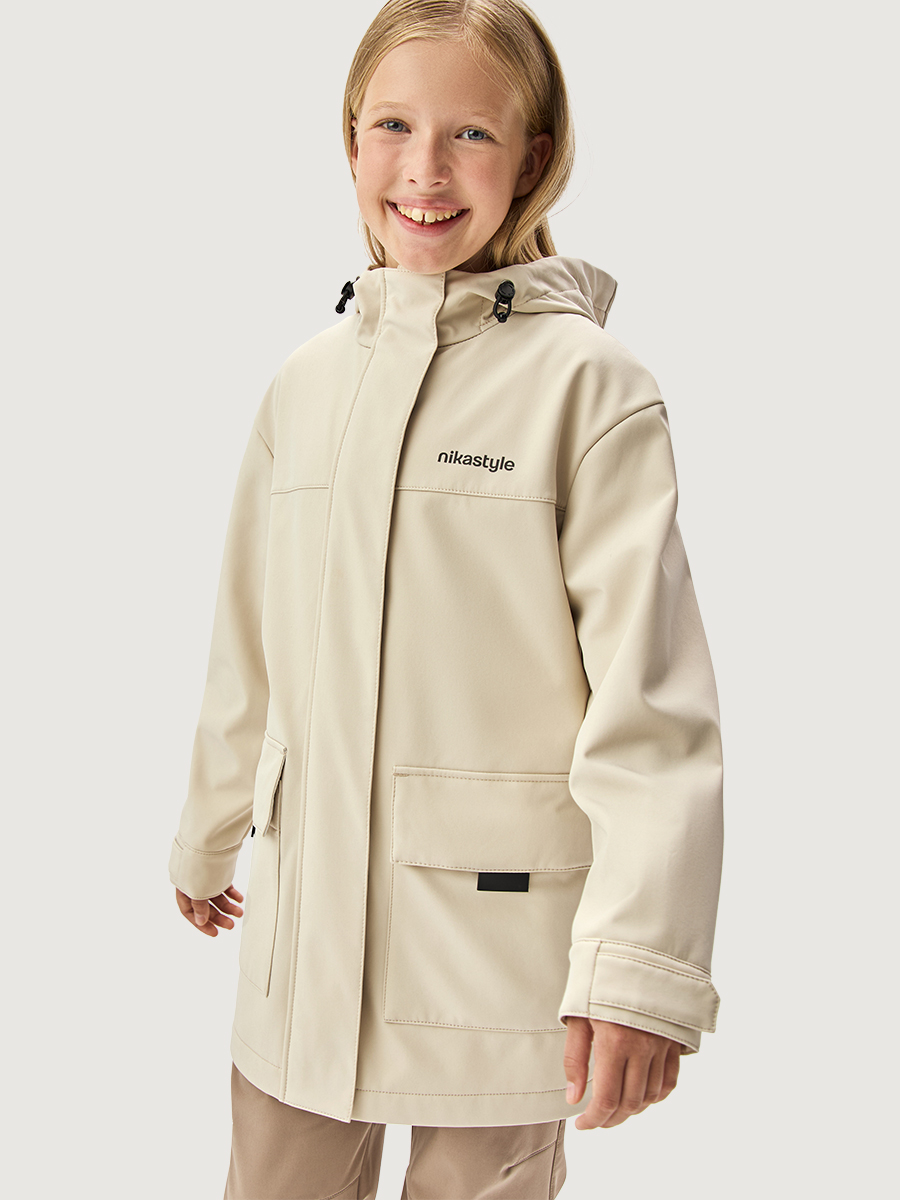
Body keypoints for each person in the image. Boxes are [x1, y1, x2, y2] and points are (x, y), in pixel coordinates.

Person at [168, 1, 725, 1196]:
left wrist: (641, 971)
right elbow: (247, 644)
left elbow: (650, 702)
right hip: (302, 944)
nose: (423, 171)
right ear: (350, 140)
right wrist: (208, 830)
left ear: (532, 157)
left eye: (470, 133)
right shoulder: (306, 386)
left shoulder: (590, 388)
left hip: (498, 952)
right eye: (392, 127)